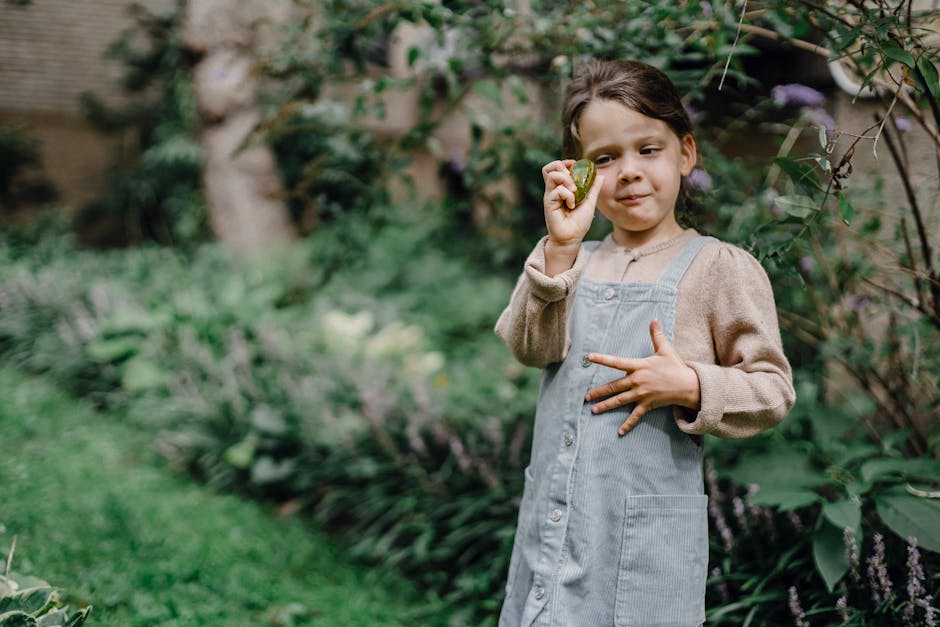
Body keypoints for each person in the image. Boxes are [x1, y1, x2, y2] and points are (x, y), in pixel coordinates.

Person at [494, 59, 796, 627]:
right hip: (555, 525)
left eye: (647, 150)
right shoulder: (565, 260)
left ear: (686, 152)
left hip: (643, 545)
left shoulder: (718, 268)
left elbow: (773, 390)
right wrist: (559, 250)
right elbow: (528, 346)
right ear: (579, 174)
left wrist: (692, 384)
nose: (628, 172)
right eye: (605, 159)